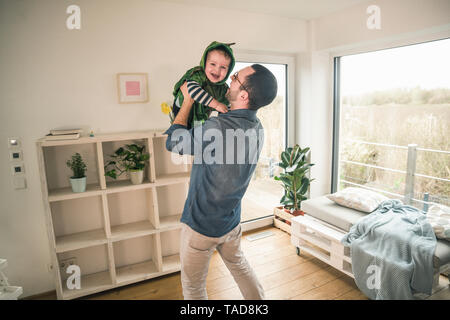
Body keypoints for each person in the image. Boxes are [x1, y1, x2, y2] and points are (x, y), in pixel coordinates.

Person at [165, 64, 278, 300]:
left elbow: (174, 143)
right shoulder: (257, 127)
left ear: (244, 95)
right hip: (231, 222)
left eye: (236, 77)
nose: (230, 78)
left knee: (194, 287)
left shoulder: (218, 126)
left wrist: (187, 101)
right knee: (241, 268)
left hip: (200, 225)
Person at [171, 41, 236, 129]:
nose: (217, 70)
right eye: (213, 64)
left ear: (229, 70)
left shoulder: (223, 88)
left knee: (198, 134)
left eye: (223, 67)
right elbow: (192, 90)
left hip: (200, 115)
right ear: (204, 63)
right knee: (181, 131)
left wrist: (228, 109)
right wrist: (216, 105)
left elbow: (226, 105)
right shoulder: (198, 74)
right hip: (181, 107)